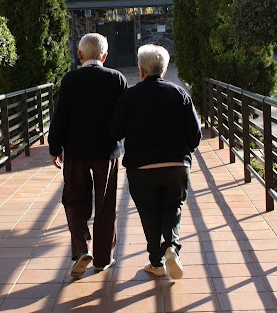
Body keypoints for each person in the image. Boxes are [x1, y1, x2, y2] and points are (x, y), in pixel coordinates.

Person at [109, 44, 201, 279]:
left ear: (140, 70)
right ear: (165, 69)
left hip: (141, 167)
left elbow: (116, 131)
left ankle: (156, 262)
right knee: (174, 207)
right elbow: (195, 134)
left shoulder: (129, 96)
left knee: (148, 213)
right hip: (176, 164)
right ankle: (171, 246)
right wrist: (185, 154)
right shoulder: (179, 93)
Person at [48, 33, 128, 278]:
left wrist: (55, 147)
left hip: (76, 152)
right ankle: (103, 258)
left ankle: (81, 248)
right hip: (107, 152)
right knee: (106, 205)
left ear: (80, 55)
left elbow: (60, 116)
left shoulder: (70, 80)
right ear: (104, 56)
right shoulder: (117, 79)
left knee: (74, 201)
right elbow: (124, 116)